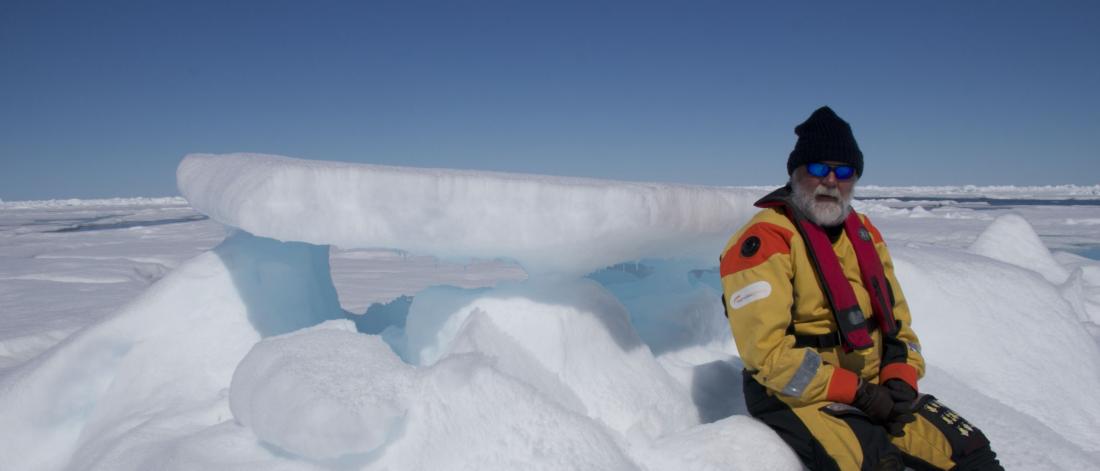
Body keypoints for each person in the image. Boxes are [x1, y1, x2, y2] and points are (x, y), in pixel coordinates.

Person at [719, 107, 1003, 471]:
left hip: (873, 386)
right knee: (878, 464)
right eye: (820, 169)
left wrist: (901, 375)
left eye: (845, 171)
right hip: (793, 393)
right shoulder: (766, 240)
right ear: (796, 173)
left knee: (971, 453)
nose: (831, 181)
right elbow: (767, 356)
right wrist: (858, 393)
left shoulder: (864, 233)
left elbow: (899, 325)